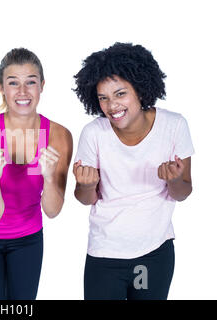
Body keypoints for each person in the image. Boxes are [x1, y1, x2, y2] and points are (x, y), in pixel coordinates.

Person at [73, 42, 194, 300]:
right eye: (103, 98)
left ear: (139, 90)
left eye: (120, 94)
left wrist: (173, 180)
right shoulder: (94, 133)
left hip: (153, 254)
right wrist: (85, 185)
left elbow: (183, 192)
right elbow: (86, 199)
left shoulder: (174, 126)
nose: (112, 105)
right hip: (105, 255)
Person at [0, 48, 73, 300]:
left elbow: (54, 211)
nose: (22, 92)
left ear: (42, 86)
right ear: (1, 87)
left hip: (28, 238)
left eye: (30, 82)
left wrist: (48, 177)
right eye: (13, 83)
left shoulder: (59, 136)